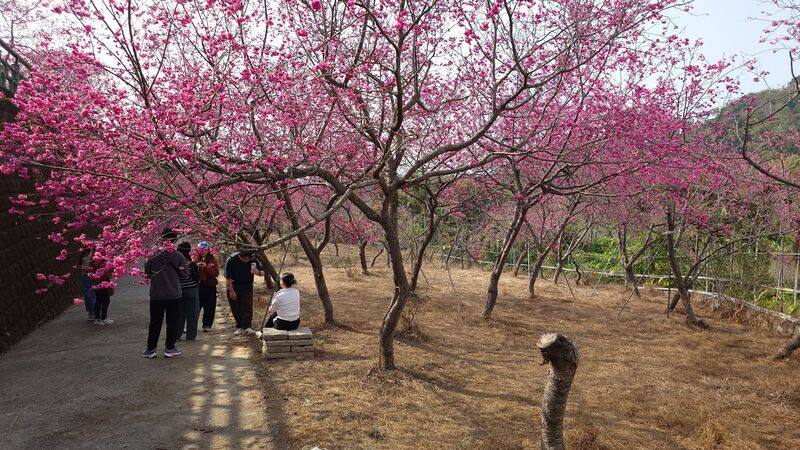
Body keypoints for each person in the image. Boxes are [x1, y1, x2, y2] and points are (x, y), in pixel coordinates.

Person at [142, 228, 187, 358]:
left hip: (157, 294)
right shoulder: (179, 256)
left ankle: (151, 349)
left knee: (155, 322)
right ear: (175, 239)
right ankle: (170, 348)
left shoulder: (152, 255)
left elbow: (147, 274)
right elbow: (184, 274)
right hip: (174, 294)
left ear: (162, 238)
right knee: (172, 322)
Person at [224, 249, 264, 336]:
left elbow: (262, 272)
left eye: (248, 259)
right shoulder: (231, 260)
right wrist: (231, 291)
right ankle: (239, 326)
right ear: (240, 255)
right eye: (245, 259)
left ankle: (247, 327)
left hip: (247, 286)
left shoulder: (253, 259)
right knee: (236, 306)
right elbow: (228, 278)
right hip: (234, 285)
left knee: (247, 307)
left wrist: (257, 272)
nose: (246, 261)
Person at [176, 241, 200, 341]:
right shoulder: (191, 263)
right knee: (193, 314)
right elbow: (196, 277)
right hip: (192, 290)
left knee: (179, 315)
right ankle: (191, 336)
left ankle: (177, 336)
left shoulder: (175, 263)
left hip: (179, 291)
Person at [196, 242, 220, 332]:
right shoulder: (195, 258)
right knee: (196, 307)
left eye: (204, 250)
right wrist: (196, 267)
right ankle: (192, 324)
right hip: (199, 286)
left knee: (210, 307)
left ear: (208, 250)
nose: (202, 252)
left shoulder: (212, 259)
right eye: (200, 250)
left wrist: (206, 267)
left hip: (210, 286)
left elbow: (216, 273)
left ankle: (207, 325)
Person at [90, 258, 114, 326]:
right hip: (103, 282)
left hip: (95, 283)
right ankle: (104, 318)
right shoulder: (102, 259)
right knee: (106, 300)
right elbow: (106, 271)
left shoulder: (92, 261)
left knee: (98, 300)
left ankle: (97, 318)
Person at [79, 248, 96, 321]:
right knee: (88, 294)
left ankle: (93, 311)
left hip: (91, 275)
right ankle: (91, 312)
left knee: (91, 294)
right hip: (86, 276)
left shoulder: (91, 255)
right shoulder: (84, 256)